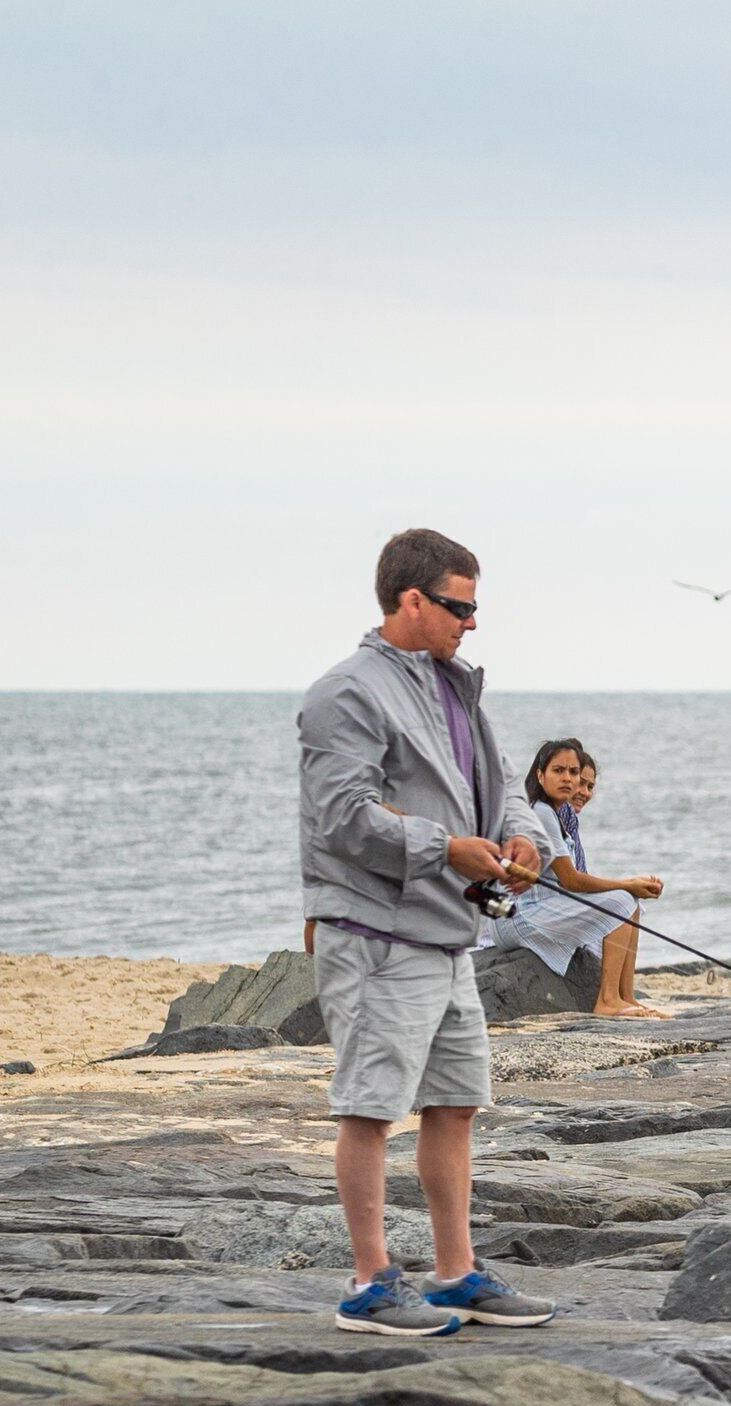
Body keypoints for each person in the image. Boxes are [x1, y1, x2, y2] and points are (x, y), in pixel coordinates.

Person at [297, 527, 554, 1337]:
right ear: (411, 600)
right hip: (374, 933)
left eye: (473, 608)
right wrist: (445, 847)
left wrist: (523, 842)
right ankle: (370, 1285)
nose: (470, 623)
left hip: (448, 937)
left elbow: (501, 785)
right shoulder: (348, 692)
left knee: (454, 1104)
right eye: (458, 607)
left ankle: (454, 1274)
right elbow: (342, 819)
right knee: (370, 1107)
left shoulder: (455, 684)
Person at [495, 739, 671, 1018]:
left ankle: (626, 996)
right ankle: (607, 1000)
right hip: (522, 915)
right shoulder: (540, 812)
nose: (569, 779)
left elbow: (574, 879)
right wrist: (627, 884)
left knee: (631, 903)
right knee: (622, 900)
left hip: (542, 910)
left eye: (574, 773)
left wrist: (630, 888)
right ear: (540, 775)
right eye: (558, 771)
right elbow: (571, 881)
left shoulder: (555, 814)